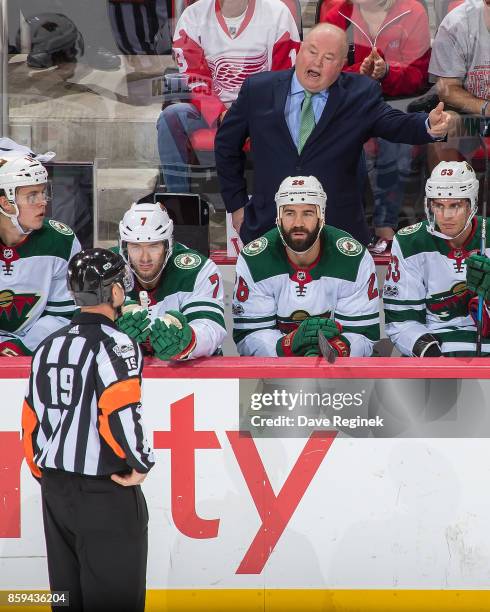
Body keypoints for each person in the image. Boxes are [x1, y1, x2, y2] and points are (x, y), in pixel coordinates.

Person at [215, 23, 450, 247]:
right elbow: (226, 145)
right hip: (268, 225)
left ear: (341, 66)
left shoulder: (359, 94)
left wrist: (429, 124)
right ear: (299, 51)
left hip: (338, 229)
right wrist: (236, 205)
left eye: (328, 58)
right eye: (312, 51)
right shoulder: (258, 90)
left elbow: (393, 123)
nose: (317, 62)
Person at [21, 248, 154, 612]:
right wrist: (140, 462)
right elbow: (118, 410)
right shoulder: (117, 343)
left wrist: (48, 475)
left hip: (56, 493)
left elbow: (30, 422)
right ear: (113, 293)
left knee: (67, 599)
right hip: (105, 492)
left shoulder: (46, 347)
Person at [156, 0, 301, 193]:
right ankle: (180, 202)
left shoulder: (279, 14)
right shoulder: (192, 16)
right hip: (211, 113)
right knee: (172, 117)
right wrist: (219, 113)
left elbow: (283, 76)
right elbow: (194, 78)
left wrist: (250, 114)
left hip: (262, 112)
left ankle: (283, 199)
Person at [321, 0, 431, 251]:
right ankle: (351, 228)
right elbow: (323, 69)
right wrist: (359, 74)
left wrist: (388, 72)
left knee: (397, 135)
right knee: (344, 140)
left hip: (398, 101)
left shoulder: (412, 12)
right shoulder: (336, 12)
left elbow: (418, 74)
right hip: (349, 103)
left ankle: (385, 225)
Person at [232, 175, 380, 357]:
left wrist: (335, 348)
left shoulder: (354, 259)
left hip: (339, 373)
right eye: (289, 213)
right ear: (278, 217)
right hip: (276, 376)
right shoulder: (254, 260)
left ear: (321, 216)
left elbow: (363, 335)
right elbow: (248, 338)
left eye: (308, 213)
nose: (298, 223)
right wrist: (289, 344)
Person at [383, 161, 490, 357]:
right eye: (438, 206)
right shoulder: (410, 241)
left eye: (455, 205)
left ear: (471, 204)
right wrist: (431, 355)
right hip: (436, 344)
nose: (445, 216)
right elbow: (401, 319)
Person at [115, 202, 226, 359]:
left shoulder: (197, 270)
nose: (144, 258)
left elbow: (210, 327)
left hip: (188, 376)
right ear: (124, 246)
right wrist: (112, 332)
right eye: (136, 246)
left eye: (153, 246)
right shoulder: (106, 268)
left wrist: (189, 340)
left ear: (168, 245)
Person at [0, 153, 81, 356]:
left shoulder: (60, 241)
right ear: (6, 203)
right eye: (32, 195)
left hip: (37, 352)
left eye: (43, 193)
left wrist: (24, 348)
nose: (43, 202)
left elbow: (63, 314)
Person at [428, 0, 490, 165]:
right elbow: (448, 88)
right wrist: (485, 107)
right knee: (445, 126)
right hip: (472, 117)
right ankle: (446, 187)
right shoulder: (457, 24)